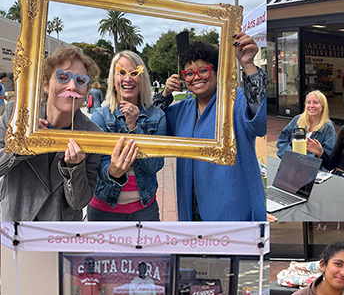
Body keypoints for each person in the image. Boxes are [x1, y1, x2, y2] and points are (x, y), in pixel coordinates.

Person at [158, 34, 267, 221]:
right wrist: (165, 94)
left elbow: (261, 123)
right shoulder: (182, 110)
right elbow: (152, 125)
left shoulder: (236, 100)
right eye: (189, 73)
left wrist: (248, 65)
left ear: (217, 71)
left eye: (203, 71)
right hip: (192, 210)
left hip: (232, 210)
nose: (196, 78)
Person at [0, 45, 103, 220]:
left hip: (59, 234)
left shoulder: (92, 135)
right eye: (63, 77)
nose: (72, 86)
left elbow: (79, 203)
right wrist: (20, 145)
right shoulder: (16, 115)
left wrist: (74, 168)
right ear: (46, 84)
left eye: (80, 81)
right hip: (15, 225)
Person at [89, 51, 166, 221]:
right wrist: (113, 172)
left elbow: (155, 165)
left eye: (133, 73)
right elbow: (96, 165)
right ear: (113, 80)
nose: (127, 79)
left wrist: (134, 128)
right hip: (104, 209)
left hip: (144, 209)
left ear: (142, 78)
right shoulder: (100, 117)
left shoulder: (157, 116)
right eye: (121, 73)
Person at [276, 90, 336, 159]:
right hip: (292, 164)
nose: (311, 106)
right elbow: (281, 141)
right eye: (308, 102)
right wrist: (292, 154)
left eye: (315, 102)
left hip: (313, 167)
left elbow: (330, 155)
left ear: (323, 106)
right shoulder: (297, 120)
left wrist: (317, 153)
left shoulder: (328, 127)